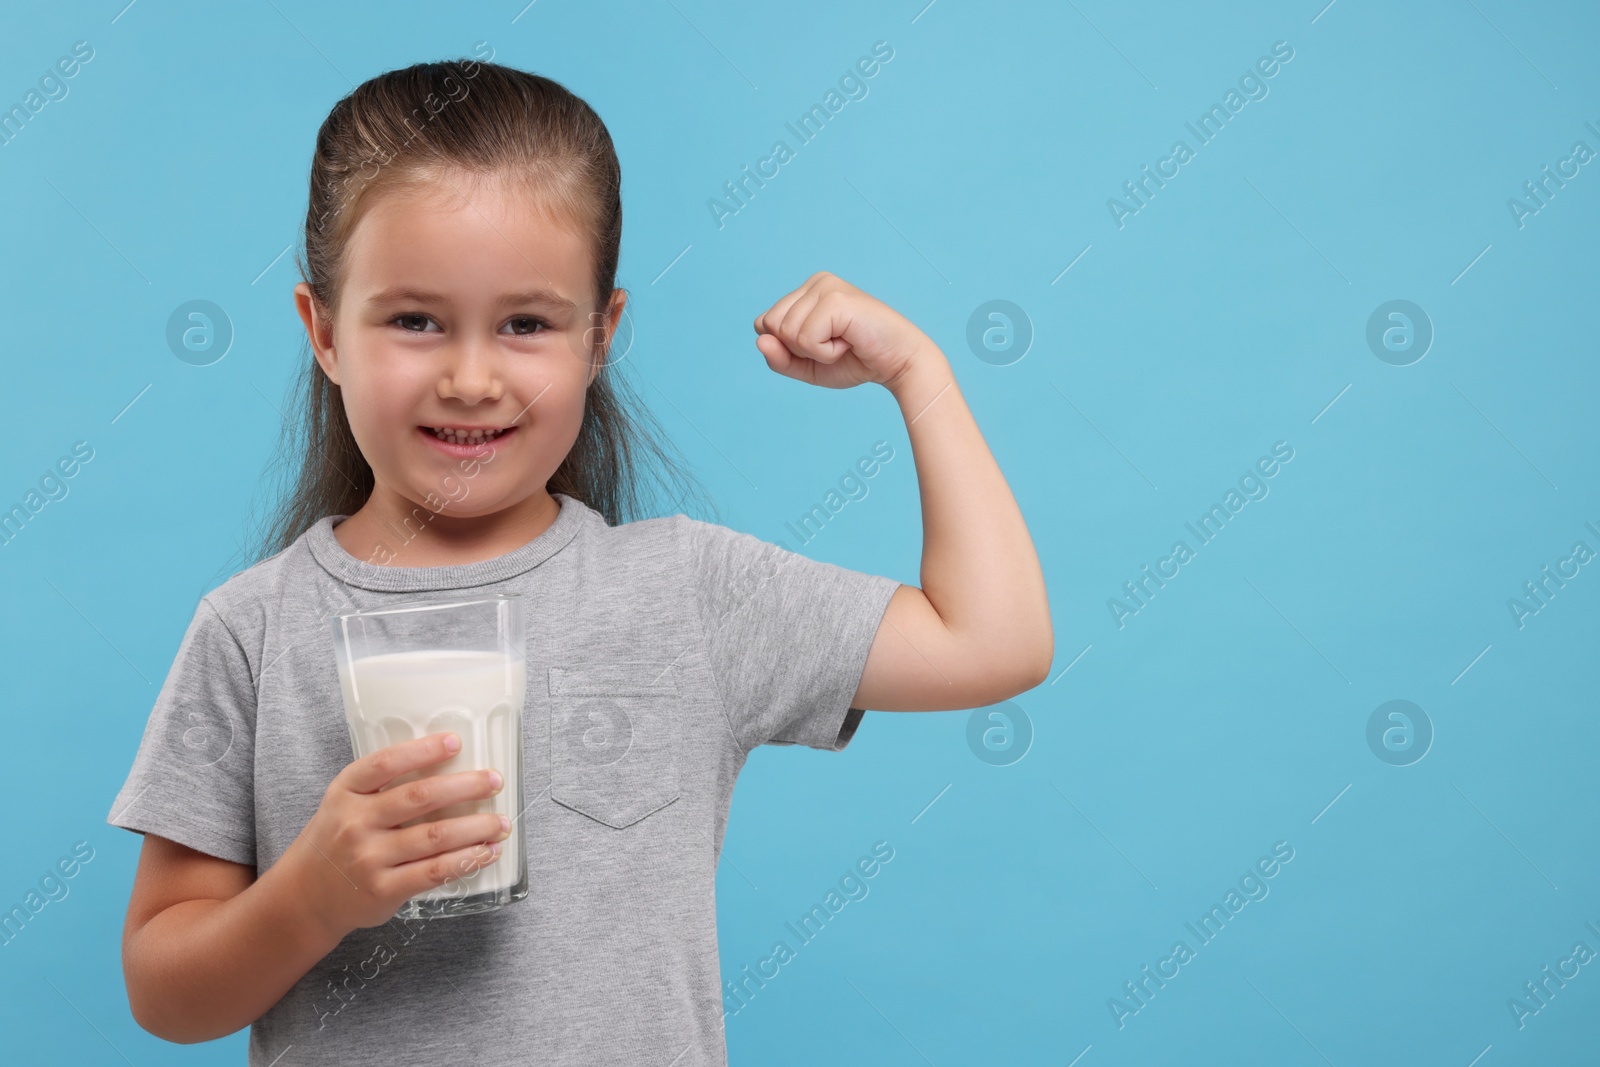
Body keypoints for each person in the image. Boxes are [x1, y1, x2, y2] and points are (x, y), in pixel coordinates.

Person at [105, 57, 1052, 1066]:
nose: (471, 377)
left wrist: (919, 374)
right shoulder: (250, 629)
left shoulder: (686, 595)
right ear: (324, 331)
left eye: (526, 323)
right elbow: (164, 989)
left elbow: (993, 642)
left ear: (599, 337)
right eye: (415, 320)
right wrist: (310, 895)